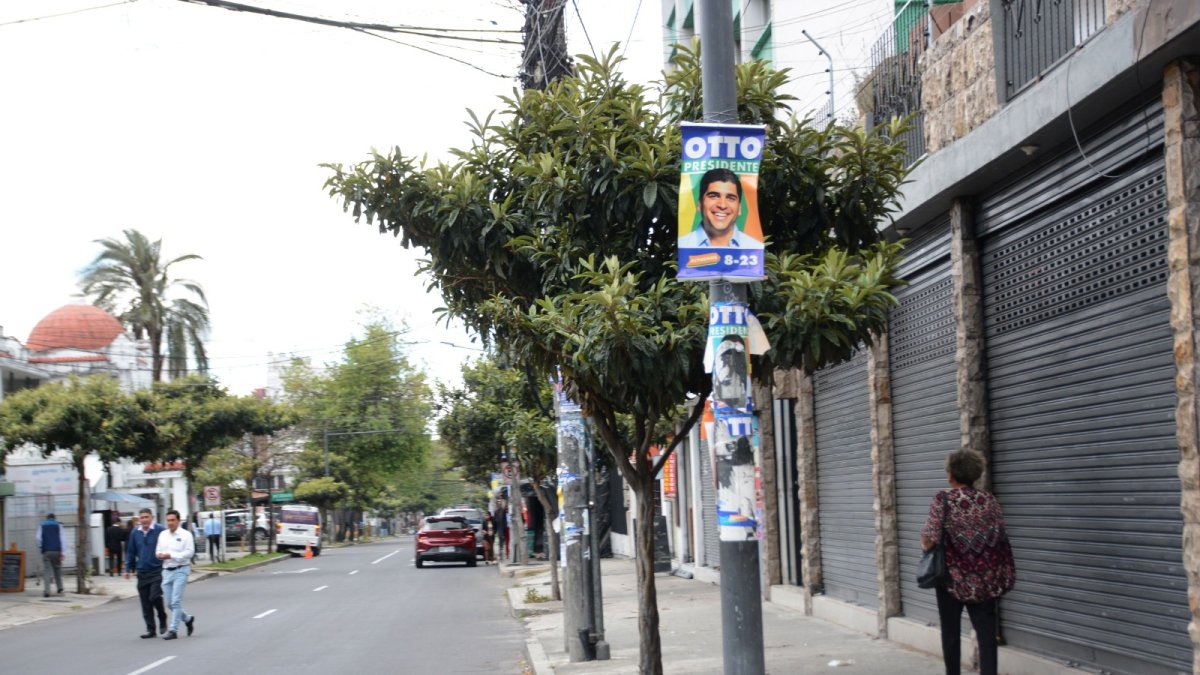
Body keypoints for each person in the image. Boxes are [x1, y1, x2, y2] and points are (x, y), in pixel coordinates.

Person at [921, 448, 1016, 675]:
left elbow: (929, 540)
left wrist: (926, 543)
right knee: (987, 636)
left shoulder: (943, 499)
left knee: (951, 633)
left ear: (951, 474)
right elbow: (999, 538)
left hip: (950, 580)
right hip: (985, 579)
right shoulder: (989, 500)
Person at [679, 168, 760, 248]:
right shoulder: (683, 246)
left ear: (739, 208)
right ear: (699, 204)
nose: (722, 205)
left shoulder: (754, 247)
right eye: (714, 196)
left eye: (730, 198)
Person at [125, 508, 168, 639]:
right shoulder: (135, 532)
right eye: (142, 517)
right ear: (139, 519)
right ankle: (151, 629)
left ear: (152, 518)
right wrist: (127, 569)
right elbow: (131, 551)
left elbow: (168, 546)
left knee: (154, 596)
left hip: (157, 570)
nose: (144, 520)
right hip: (142, 571)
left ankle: (162, 616)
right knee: (145, 603)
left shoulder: (160, 530)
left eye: (146, 517)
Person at [155, 509, 196, 640]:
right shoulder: (162, 535)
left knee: (176, 601)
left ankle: (173, 630)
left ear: (178, 521)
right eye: (168, 520)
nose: (170, 523)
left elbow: (190, 552)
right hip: (167, 570)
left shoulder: (186, 535)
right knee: (169, 604)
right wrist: (159, 555)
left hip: (181, 569)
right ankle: (188, 619)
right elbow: (158, 550)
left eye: (173, 520)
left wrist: (172, 555)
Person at [35, 513, 64, 597]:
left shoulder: (42, 525)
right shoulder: (59, 525)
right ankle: (60, 587)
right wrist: (63, 552)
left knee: (47, 571)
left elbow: (38, 538)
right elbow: (62, 539)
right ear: (54, 518)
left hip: (47, 551)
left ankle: (47, 591)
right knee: (57, 569)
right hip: (57, 550)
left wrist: (41, 546)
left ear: (47, 518)